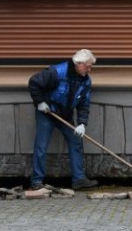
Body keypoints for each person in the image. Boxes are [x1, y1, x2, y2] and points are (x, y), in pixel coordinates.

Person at [28, 48, 98, 191]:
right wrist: (39, 102)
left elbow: (84, 104)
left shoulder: (85, 82)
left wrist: (82, 124)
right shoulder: (57, 72)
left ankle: (79, 179)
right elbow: (34, 82)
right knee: (41, 146)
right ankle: (36, 181)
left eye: (91, 66)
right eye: (88, 66)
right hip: (47, 113)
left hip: (65, 116)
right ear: (79, 63)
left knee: (75, 141)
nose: (90, 69)